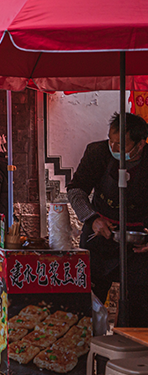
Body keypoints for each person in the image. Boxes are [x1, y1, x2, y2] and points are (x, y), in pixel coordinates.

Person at [68, 112, 148, 326]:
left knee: (139, 303)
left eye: (121, 145)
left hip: (138, 244)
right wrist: (91, 218)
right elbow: (76, 190)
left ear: (140, 145)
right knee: (88, 302)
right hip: (99, 233)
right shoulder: (97, 152)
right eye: (111, 141)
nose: (114, 148)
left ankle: (129, 352)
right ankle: (88, 349)